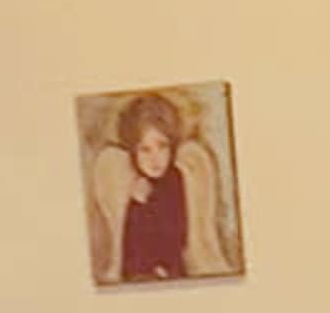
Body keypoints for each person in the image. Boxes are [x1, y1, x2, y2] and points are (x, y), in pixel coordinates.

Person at [91, 92, 231, 283]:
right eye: (145, 149)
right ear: (133, 151)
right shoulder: (131, 187)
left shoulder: (179, 180)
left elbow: (178, 240)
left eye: (162, 146)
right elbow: (129, 254)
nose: (155, 159)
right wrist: (137, 203)